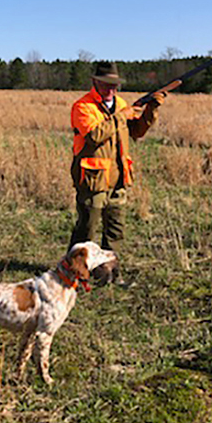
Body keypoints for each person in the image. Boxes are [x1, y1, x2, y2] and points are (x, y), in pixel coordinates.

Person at [68, 62, 165, 283]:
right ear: (95, 82)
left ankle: (108, 274)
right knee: (87, 229)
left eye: (115, 85)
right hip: (92, 179)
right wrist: (123, 115)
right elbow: (94, 135)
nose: (111, 89)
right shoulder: (83, 106)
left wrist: (151, 109)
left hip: (119, 178)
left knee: (115, 230)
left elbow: (137, 132)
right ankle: (73, 275)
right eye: (106, 84)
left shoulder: (121, 104)